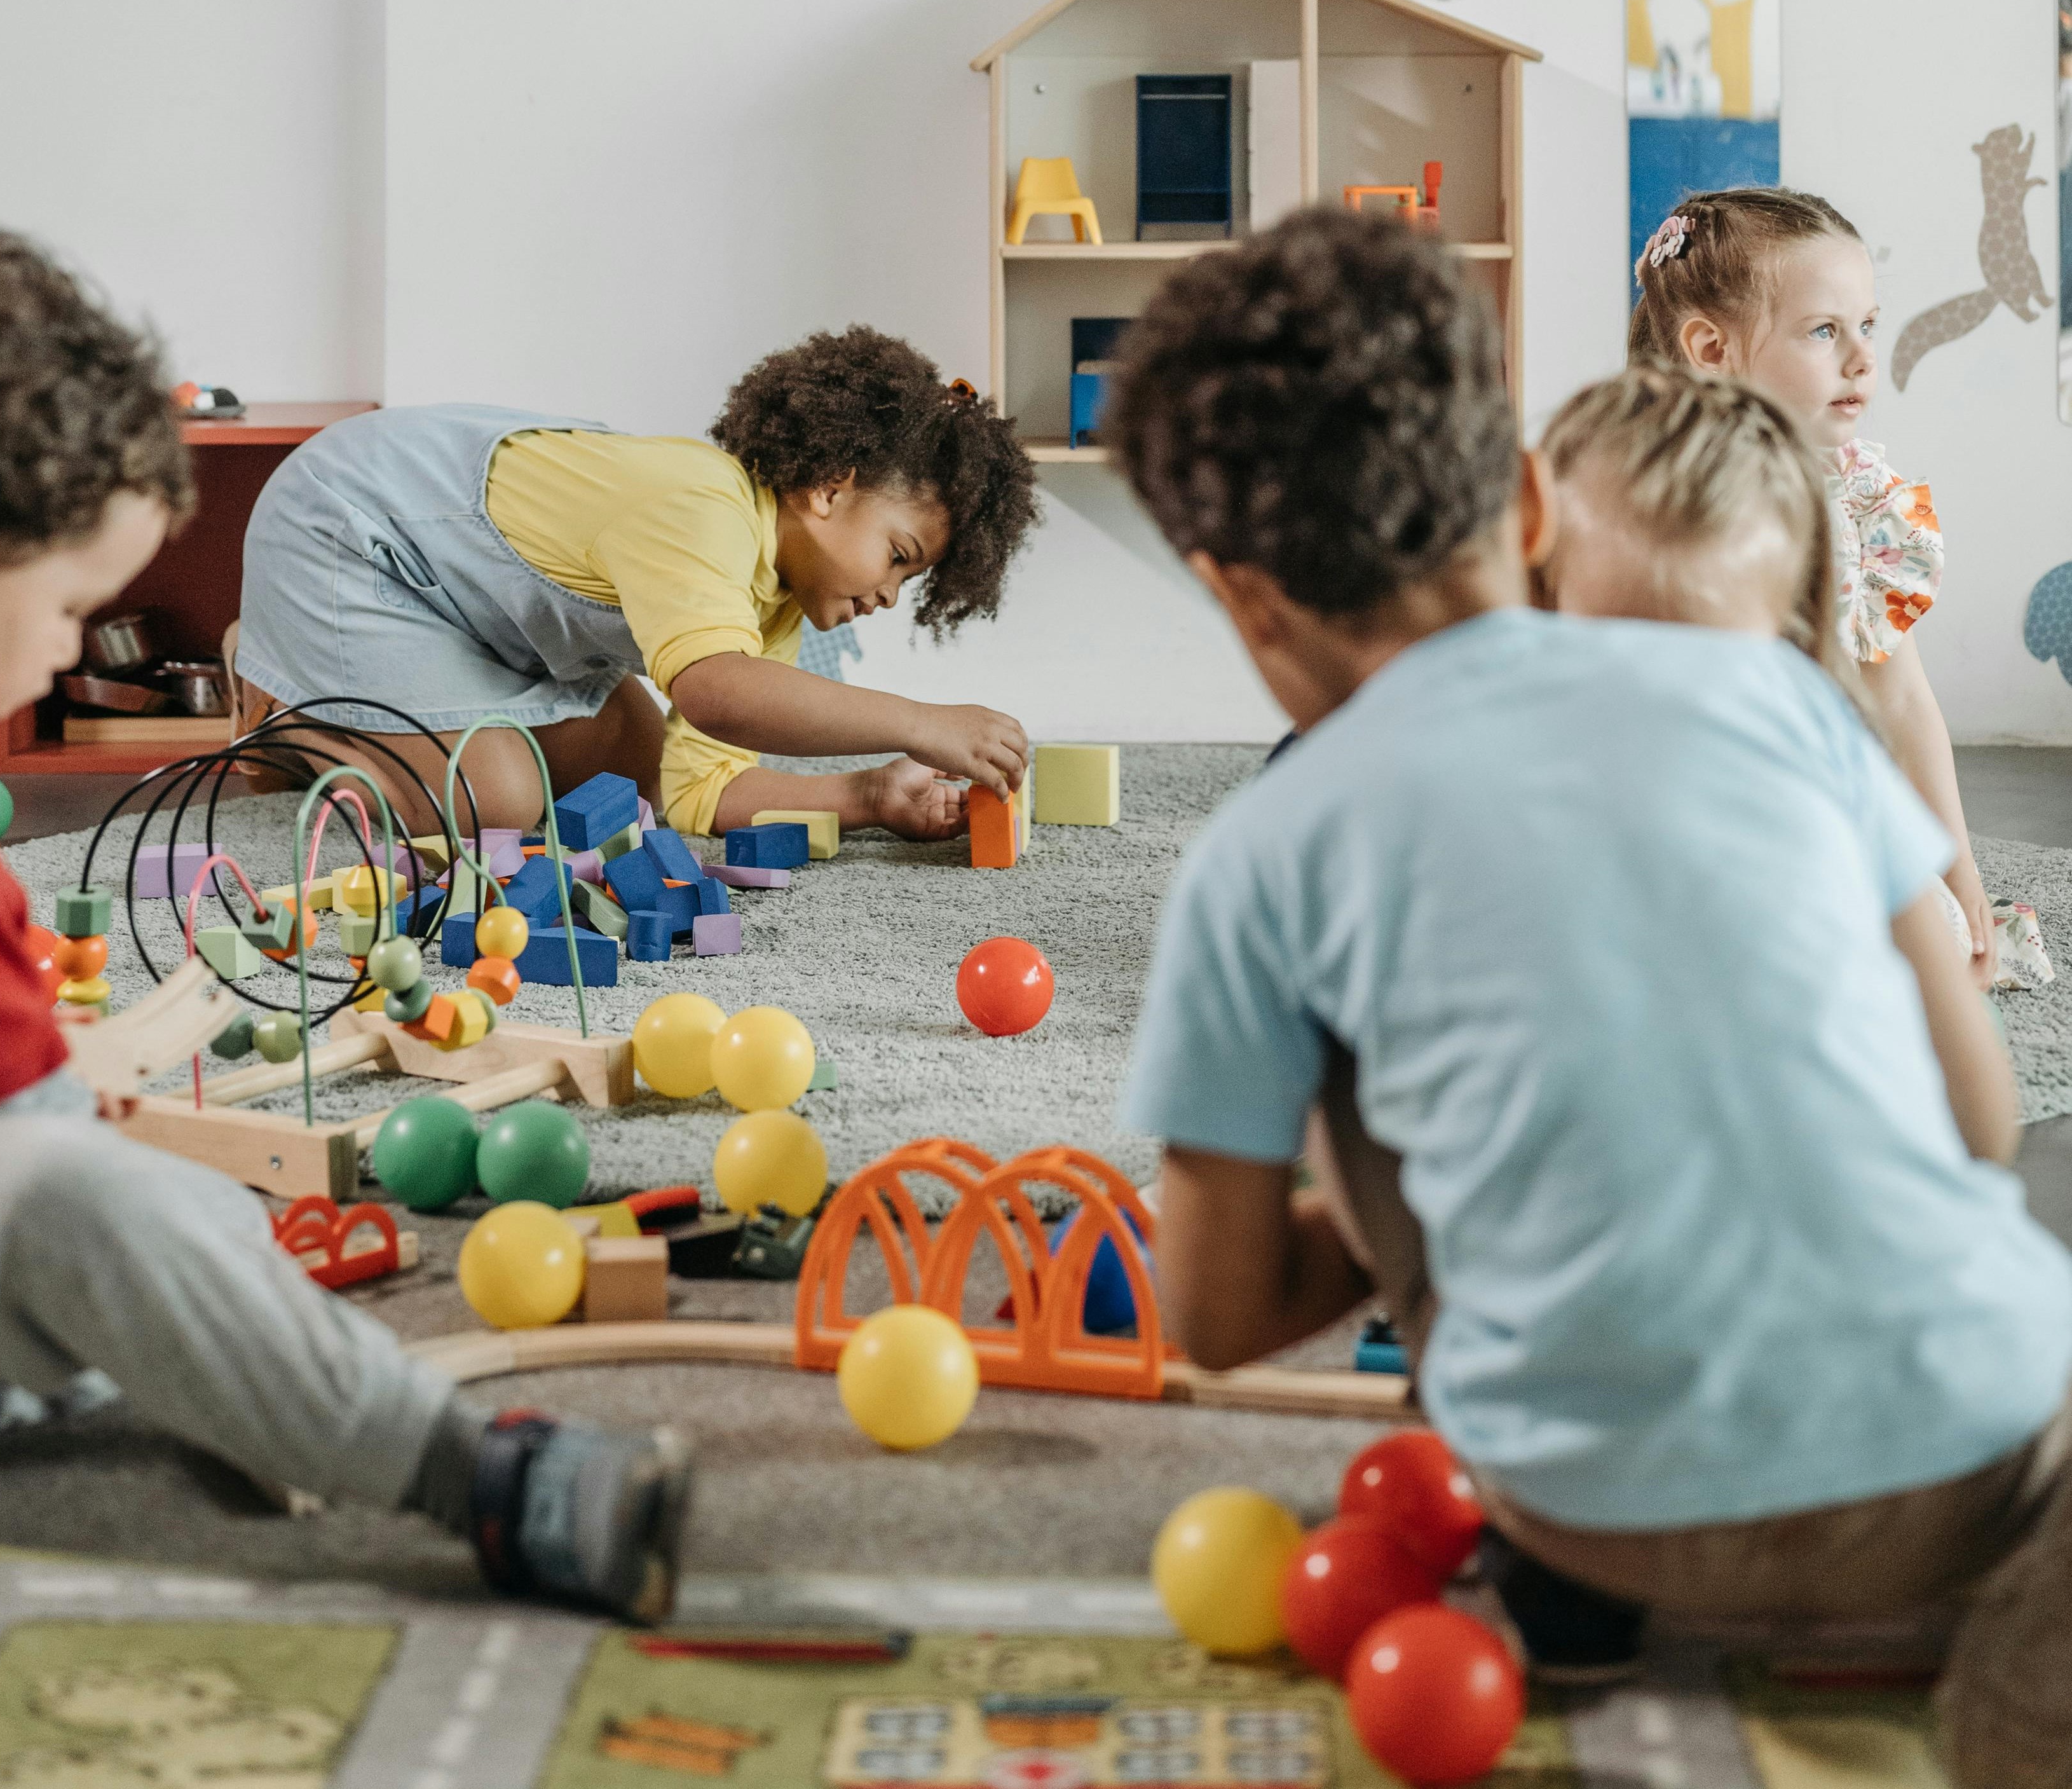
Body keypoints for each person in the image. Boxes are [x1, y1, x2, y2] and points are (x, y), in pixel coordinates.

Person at [1105, 205, 2072, 1781]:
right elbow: (1979, 1117)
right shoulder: (1780, 697)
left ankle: (1579, 1580)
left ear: (1239, 596)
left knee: (1359, 1041)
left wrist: (1491, 1149)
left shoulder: (1260, 851)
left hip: (1592, 1509)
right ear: (1530, 496)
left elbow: (1212, 1317)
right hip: (1970, 1462)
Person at [0, 231, 688, 1616]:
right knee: (111, 1213)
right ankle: (477, 1474)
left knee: (156, 1228)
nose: (70, 650)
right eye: (69, 609)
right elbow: (47, 1157)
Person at [229, 334, 1040, 838]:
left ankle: (353, 701)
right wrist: (919, 721)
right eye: (898, 556)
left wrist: (869, 794)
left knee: (633, 779)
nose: (891, 595)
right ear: (829, 488)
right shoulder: (704, 506)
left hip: (473, 612)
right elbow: (718, 693)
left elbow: (697, 793)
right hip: (347, 534)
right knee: (496, 801)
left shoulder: (775, 603)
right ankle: (278, 710)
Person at [1628, 188, 1995, 983]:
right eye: (1824, 331)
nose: (1862, 358)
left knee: (1929, 928)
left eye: (1868, 325)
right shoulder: (1643, 504)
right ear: (1711, 348)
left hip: (1813, 807)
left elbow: (1902, 698)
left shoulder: (1857, 501)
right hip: (1680, 810)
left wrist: (1956, 863)